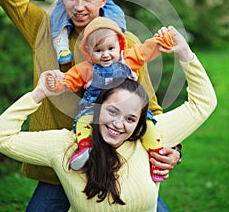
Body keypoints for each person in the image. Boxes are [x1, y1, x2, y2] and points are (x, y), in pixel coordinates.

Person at [0, 0, 180, 212]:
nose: (79, 6)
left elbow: (149, 107)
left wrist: (173, 149)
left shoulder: (125, 44)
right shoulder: (46, 31)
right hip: (65, 162)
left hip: (120, 162)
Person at [0, 26, 217, 212]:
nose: (119, 125)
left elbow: (203, 103)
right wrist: (38, 94)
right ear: (98, 107)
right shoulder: (63, 147)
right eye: (112, 111)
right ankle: (87, 147)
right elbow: (1, 137)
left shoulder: (148, 131)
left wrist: (185, 53)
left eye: (131, 118)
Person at [46, 16, 175, 182]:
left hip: (128, 109)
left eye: (110, 49)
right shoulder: (86, 68)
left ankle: (156, 156)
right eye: (98, 51)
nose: (105, 55)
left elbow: (147, 49)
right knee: (83, 121)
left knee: (148, 125)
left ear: (120, 46)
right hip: (96, 109)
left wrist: (163, 39)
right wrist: (57, 83)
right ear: (89, 52)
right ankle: (86, 148)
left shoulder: (127, 59)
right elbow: (69, 80)